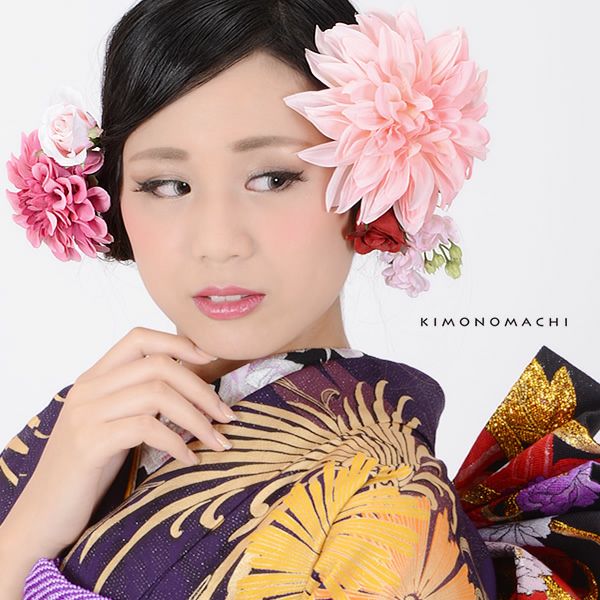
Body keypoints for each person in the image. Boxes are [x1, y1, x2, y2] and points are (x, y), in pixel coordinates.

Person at [1, 1, 599, 598]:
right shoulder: (92, 423)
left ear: (371, 187)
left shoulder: (389, 508)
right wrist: (35, 519)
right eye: (167, 185)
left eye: (273, 179)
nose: (217, 242)